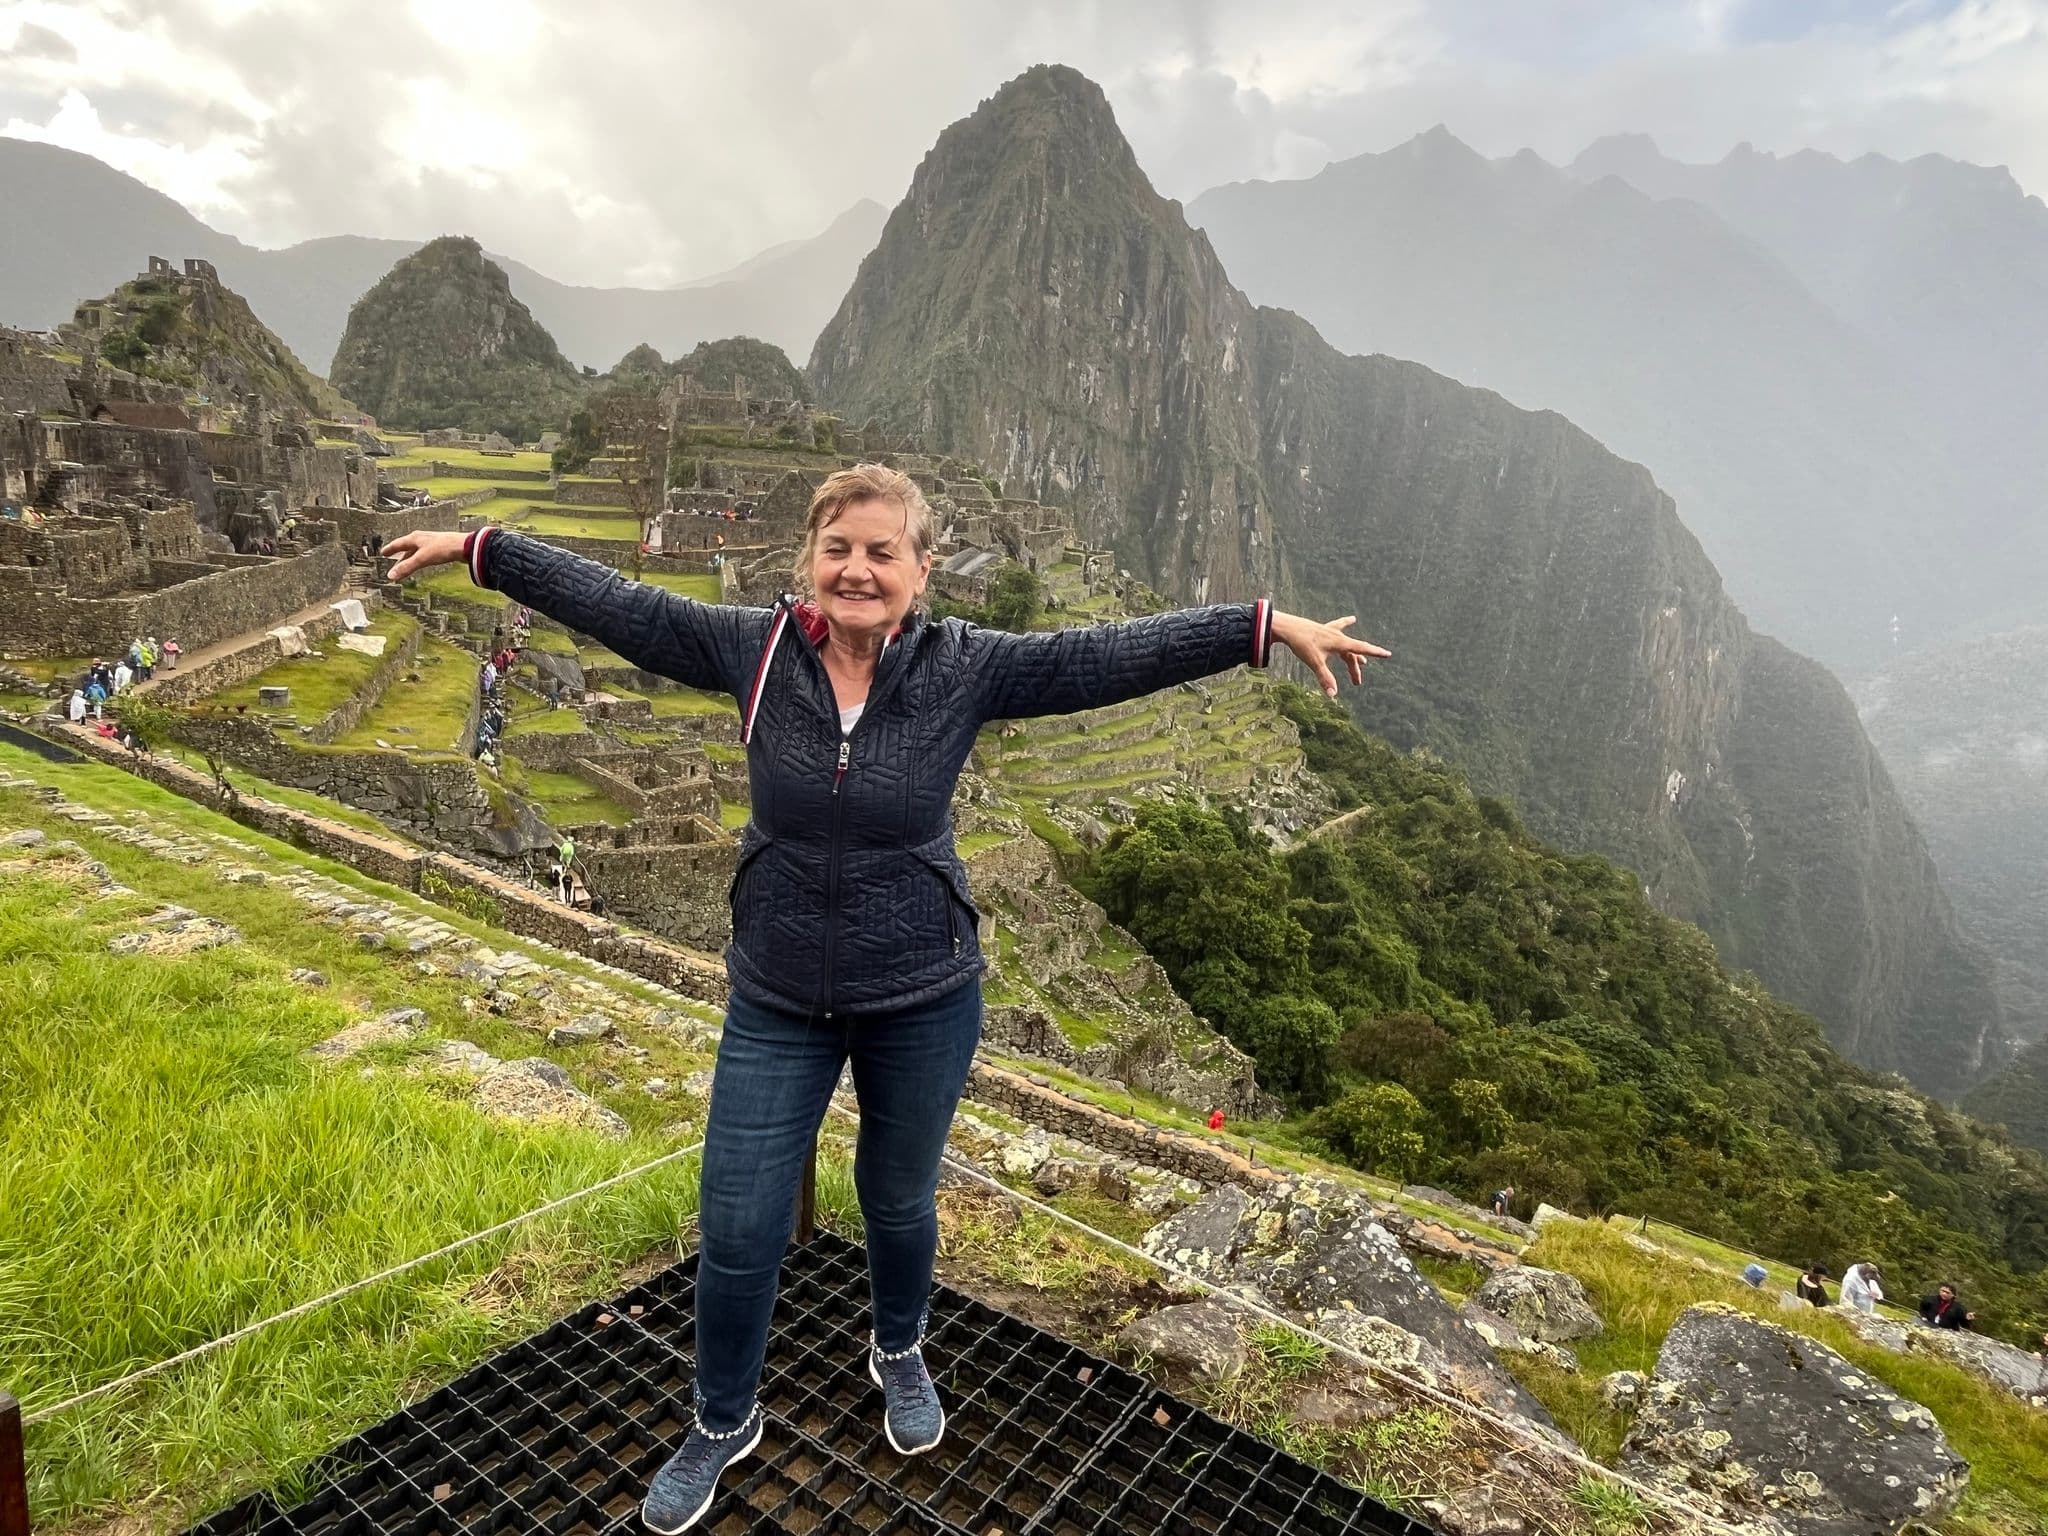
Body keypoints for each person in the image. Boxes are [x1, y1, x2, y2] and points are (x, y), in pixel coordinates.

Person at [381, 463, 1388, 1534]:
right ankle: (721, 1420)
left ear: (920, 567)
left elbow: (1104, 655)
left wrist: (1263, 626)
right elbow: (621, 606)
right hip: (776, 996)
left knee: (897, 1200)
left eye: (880, 552)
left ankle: (898, 1348)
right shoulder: (751, 651)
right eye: (838, 549)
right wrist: (480, 549)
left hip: (920, 991)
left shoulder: (966, 668)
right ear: (809, 559)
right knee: (735, 1222)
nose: (856, 570)